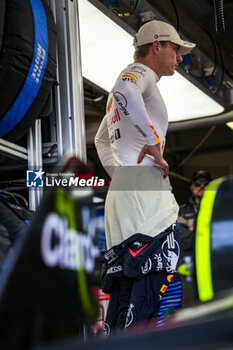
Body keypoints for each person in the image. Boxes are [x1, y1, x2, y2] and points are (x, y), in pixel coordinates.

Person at [94, 20, 195, 334]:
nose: (179, 58)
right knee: (153, 298)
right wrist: (153, 146)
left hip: (126, 198)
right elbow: (125, 89)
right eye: (176, 50)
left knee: (127, 297)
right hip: (146, 202)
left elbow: (100, 141)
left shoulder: (120, 99)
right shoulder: (141, 75)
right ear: (158, 46)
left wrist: (124, 174)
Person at [178, 170, 212, 307]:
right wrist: (206, 235)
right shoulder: (182, 211)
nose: (202, 186)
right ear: (192, 187)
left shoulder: (218, 207)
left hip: (214, 266)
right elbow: (180, 237)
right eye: (197, 183)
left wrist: (193, 230)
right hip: (190, 269)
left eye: (206, 183)